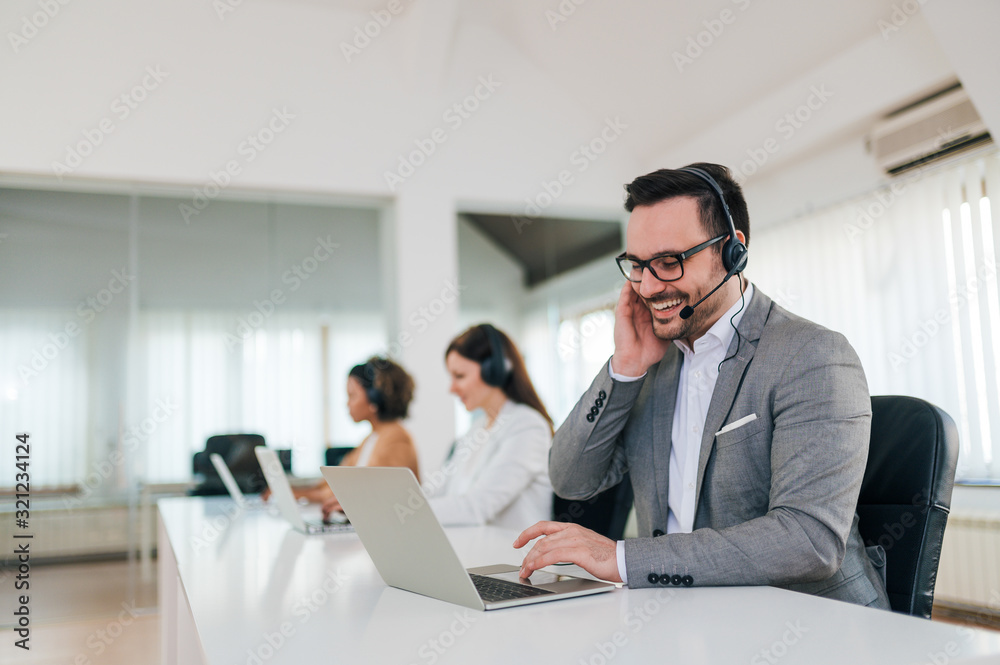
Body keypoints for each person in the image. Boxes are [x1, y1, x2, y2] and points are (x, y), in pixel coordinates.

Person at [514, 163, 890, 609]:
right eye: (637, 265)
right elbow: (570, 478)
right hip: (684, 616)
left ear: (732, 251)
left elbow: (808, 540)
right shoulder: (652, 361)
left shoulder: (812, 356)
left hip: (807, 625)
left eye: (669, 263)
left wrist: (620, 558)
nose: (650, 286)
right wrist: (625, 367)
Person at [421, 323, 554, 530]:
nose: (451, 388)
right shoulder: (477, 428)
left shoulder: (528, 426)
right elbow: (442, 491)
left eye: (460, 376)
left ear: (493, 370)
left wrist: (406, 514)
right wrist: (401, 507)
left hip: (515, 557)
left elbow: (477, 507)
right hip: (475, 548)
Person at [289, 356, 419, 509]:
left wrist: (298, 494)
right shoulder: (371, 438)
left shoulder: (396, 437)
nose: (347, 403)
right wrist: (294, 491)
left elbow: (376, 496)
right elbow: (334, 484)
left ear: (374, 399)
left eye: (352, 396)